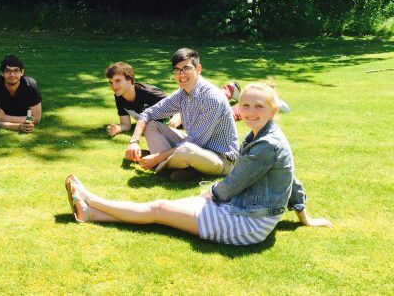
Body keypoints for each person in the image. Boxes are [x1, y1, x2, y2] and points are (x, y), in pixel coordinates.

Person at [65, 82, 333, 245]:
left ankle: (90, 198)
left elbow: (237, 181)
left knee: (159, 209)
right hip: (242, 209)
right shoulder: (262, 134)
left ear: (273, 111)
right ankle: (89, 213)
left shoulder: (267, 144)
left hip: (248, 225)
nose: (250, 112)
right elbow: (291, 181)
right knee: (164, 210)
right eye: (246, 105)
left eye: (259, 107)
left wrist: (212, 194)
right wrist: (304, 218)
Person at [125, 48, 239, 181]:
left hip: (221, 158)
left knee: (187, 150)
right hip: (193, 145)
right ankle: (185, 168)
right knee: (151, 125)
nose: (181, 74)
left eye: (186, 68)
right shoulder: (182, 93)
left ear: (198, 69)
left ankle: (160, 163)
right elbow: (148, 113)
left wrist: (158, 157)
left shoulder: (212, 97)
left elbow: (195, 142)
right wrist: (134, 141)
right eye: (177, 70)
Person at [104, 62, 167, 139]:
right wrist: (118, 128)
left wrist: (176, 120)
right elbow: (126, 124)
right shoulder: (119, 96)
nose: (114, 86)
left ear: (129, 80)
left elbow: (178, 104)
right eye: (111, 82)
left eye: (118, 81)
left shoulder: (149, 93)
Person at [0, 54, 42, 133]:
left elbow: (36, 118)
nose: (12, 75)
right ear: (2, 73)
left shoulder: (30, 86)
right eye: (7, 71)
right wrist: (18, 127)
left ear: (22, 72)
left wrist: (4, 117)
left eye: (16, 70)